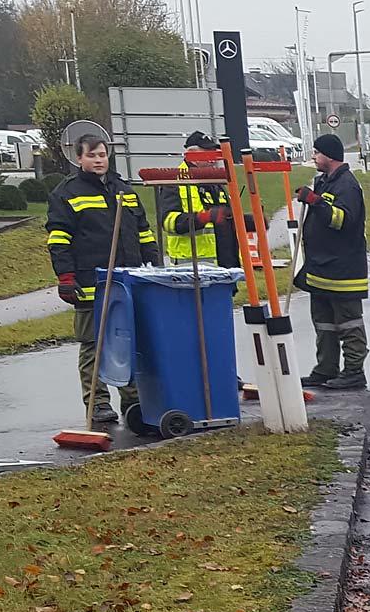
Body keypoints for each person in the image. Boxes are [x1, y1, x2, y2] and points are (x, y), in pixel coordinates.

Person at [46, 134, 159, 423]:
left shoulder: (124, 190)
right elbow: (58, 239)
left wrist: (154, 263)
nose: (98, 160)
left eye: (102, 155)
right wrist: (65, 276)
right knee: (93, 345)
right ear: (79, 158)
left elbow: (143, 231)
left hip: (127, 280)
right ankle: (97, 403)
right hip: (89, 282)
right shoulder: (67, 193)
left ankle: (133, 401)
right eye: (92, 155)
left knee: (127, 341)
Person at [296, 133, 369, 391]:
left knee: (349, 323)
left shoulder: (347, 185)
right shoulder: (324, 182)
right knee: (324, 323)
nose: (314, 157)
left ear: (329, 155)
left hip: (343, 270)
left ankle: (354, 372)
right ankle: (326, 368)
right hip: (321, 269)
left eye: (317, 152)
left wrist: (315, 202)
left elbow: (342, 220)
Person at [155, 131, 242, 268]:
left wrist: (246, 221)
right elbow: (168, 222)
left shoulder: (214, 181)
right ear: (191, 155)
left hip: (225, 264)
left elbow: (224, 217)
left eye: (214, 153)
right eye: (208, 154)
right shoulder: (174, 182)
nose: (213, 159)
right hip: (190, 267)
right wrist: (203, 218)